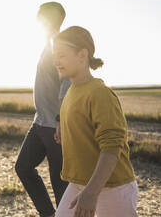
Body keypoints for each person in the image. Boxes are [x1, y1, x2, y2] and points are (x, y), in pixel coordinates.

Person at [52, 26, 138, 217]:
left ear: (82, 55)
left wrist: (91, 192)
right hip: (79, 181)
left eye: (62, 55)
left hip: (112, 186)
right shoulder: (71, 91)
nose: (56, 61)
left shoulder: (99, 93)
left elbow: (112, 145)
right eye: (55, 56)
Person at [15, 2, 70, 217]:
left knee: (60, 182)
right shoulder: (48, 44)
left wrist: (59, 119)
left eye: (40, 16)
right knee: (23, 167)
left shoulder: (60, 45)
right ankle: (49, 214)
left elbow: (67, 83)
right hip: (40, 122)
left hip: (53, 125)